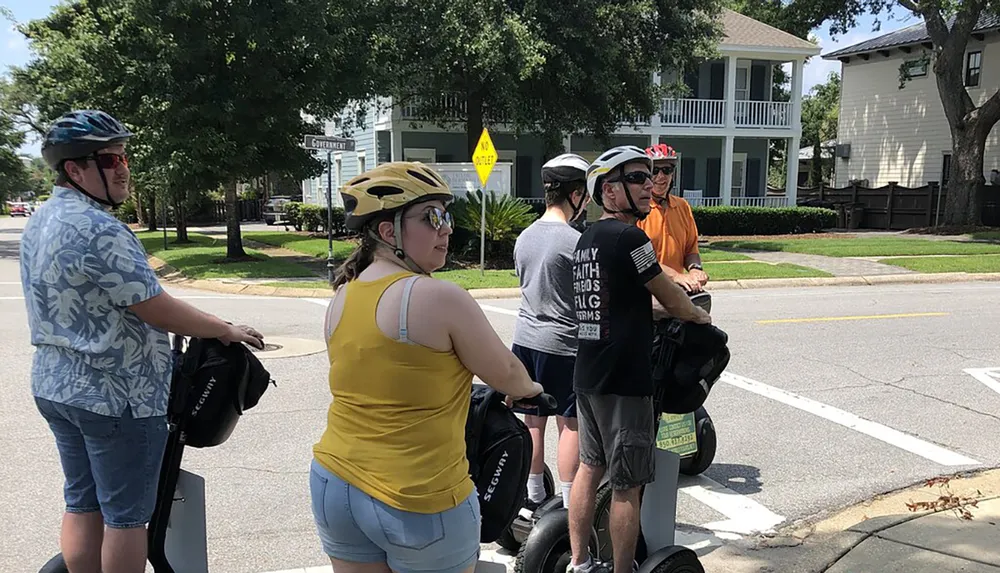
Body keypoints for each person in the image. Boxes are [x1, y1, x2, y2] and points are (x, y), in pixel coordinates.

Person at [21, 109, 265, 573]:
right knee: (127, 519)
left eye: (123, 157)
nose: (124, 168)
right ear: (75, 169)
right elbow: (155, 306)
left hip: (58, 387)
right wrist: (223, 328)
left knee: (82, 503)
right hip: (118, 397)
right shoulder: (99, 228)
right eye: (110, 160)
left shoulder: (42, 219)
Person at [312, 161, 544, 573]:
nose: (447, 229)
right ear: (388, 232)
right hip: (417, 495)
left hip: (334, 483)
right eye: (432, 217)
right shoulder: (437, 297)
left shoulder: (342, 296)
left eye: (446, 216)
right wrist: (529, 389)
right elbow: (507, 373)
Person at [566, 145, 711, 573]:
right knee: (628, 483)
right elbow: (670, 296)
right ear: (609, 191)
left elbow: (622, 303)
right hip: (626, 378)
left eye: (651, 177)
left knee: (590, 469)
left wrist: (666, 309)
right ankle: (623, 569)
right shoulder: (632, 238)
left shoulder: (587, 240)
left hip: (588, 372)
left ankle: (578, 563)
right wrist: (697, 313)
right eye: (637, 179)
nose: (650, 185)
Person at [511, 153, 591, 510]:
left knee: (533, 419)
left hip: (525, 340)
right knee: (570, 424)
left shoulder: (524, 237)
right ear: (575, 194)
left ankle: (532, 496)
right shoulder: (574, 241)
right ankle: (569, 502)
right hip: (564, 345)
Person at [635, 143, 708, 293]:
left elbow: (691, 249)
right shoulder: (637, 209)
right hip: (644, 292)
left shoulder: (682, 206)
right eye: (654, 171)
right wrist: (676, 276)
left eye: (666, 170)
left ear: (672, 174)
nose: (661, 176)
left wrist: (695, 269)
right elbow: (639, 258)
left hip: (675, 291)